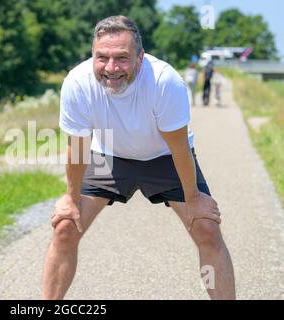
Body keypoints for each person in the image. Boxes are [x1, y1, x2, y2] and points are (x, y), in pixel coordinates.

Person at [42, 16, 235, 300]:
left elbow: (180, 147)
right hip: (108, 156)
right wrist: (71, 199)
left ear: (140, 57)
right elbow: (78, 146)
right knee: (65, 227)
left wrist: (194, 199)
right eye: (102, 57)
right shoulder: (77, 83)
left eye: (121, 58)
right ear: (92, 55)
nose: (111, 68)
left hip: (163, 157)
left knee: (206, 227)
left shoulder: (164, 81)